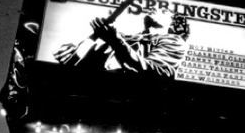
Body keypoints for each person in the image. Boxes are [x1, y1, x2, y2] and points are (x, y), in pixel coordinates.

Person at [54, 7, 190, 79]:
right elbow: (73, 60)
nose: (155, 8)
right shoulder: (129, 37)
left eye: (165, 11)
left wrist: (114, 39)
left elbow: (150, 72)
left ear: (173, 26)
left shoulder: (174, 41)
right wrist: (77, 48)